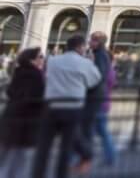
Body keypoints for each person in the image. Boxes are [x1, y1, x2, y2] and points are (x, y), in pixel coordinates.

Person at [32, 35, 102, 178]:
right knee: (65, 148)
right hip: (72, 107)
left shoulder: (52, 61)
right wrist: (91, 64)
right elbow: (94, 81)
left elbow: (46, 78)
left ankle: (37, 174)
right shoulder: (84, 63)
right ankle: (61, 174)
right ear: (80, 47)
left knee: (43, 148)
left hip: (51, 106)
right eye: (84, 47)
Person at [0, 48, 46, 178]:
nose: (42, 59)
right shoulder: (36, 75)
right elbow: (37, 97)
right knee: (19, 157)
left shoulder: (18, 72)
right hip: (26, 121)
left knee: (7, 154)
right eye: (40, 56)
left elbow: (10, 92)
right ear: (32, 59)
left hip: (11, 117)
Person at [81, 32, 111, 166]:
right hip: (97, 97)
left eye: (92, 40)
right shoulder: (98, 54)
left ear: (99, 42)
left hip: (95, 98)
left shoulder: (100, 55)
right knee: (98, 130)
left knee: (91, 130)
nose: (89, 43)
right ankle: (89, 157)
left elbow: (100, 75)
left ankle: (86, 158)